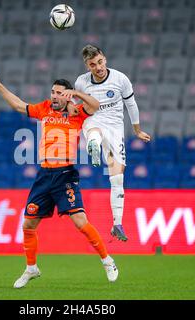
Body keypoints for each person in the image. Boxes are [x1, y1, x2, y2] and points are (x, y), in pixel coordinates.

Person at [0, 67, 119, 289]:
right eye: (52, 92)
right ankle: (31, 268)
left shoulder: (76, 111)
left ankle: (107, 261)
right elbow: (18, 105)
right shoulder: (44, 109)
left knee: (80, 222)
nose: (53, 96)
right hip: (45, 175)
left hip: (65, 174)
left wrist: (77, 94)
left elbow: (95, 106)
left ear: (67, 95)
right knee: (28, 224)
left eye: (58, 93)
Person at [73, 45, 151, 242]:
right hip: (94, 120)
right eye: (93, 64)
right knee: (93, 130)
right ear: (87, 65)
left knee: (117, 177)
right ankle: (93, 144)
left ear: (104, 59)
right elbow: (76, 109)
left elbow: (131, 104)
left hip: (116, 128)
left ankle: (117, 223)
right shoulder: (81, 83)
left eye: (100, 62)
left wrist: (137, 130)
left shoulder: (120, 79)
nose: (98, 67)